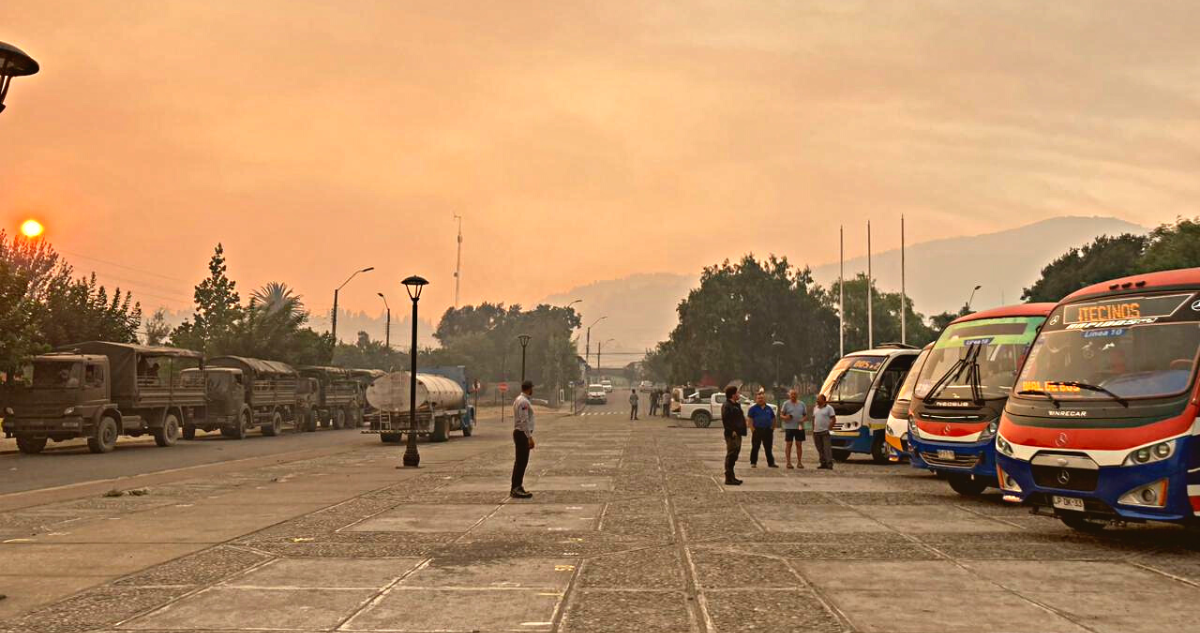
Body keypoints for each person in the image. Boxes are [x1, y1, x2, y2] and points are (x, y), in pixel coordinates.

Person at [511, 380, 536, 498]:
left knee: (520, 462)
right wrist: (529, 437)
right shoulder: (523, 402)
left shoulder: (519, 399)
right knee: (521, 462)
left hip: (520, 433)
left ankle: (517, 486)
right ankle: (516, 488)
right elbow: (524, 420)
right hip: (522, 434)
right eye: (532, 388)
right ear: (529, 388)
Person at [721, 385, 746, 485]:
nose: (738, 394)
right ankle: (728, 478)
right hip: (732, 434)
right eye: (737, 393)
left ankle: (732, 476)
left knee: (735, 454)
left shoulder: (736, 404)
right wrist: (732, 431)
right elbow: (726, 420)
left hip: (738, 432)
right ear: (733, 394)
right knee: (731, 454)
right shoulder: (727, 405)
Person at [747, 391, 777, 468]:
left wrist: (772, 428)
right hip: (757, 430)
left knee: (768, 447)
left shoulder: (769, 408)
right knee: (755, 447)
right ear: (756, 399)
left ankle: (771, 463)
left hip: (767, 430)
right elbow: (750, 420)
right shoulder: (753, 409)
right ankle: (753, 462)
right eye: (759, 398)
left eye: (762, 398)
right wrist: (753, 429)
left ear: (765, 399)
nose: (760, 399)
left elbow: (773, 419)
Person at [780, 389, 807, 469]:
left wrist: (803, 419)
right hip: (789, 427)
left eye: (795, 394)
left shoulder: (802, 404)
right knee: (789, 444)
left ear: (797, 395)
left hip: (799, 427)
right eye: (792, 394)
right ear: (789, 395)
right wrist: (786, 417)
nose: (793, 396)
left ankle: (799, 462)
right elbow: (781, 415)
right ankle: (788, 463)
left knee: (799, 444)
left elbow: (805, 415)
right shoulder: (786, 404)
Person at [812, 393, 837, 470]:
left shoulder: (829, 408)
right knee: (819, 448)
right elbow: (813, 419)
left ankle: (829, 464)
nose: (817, 400)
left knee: (827, 448)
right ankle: (823, 463)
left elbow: (833, 419)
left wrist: (829, 428)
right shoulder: (815, 408)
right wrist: (813, 429)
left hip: (825, 431)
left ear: (823, 400)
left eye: (819, 398)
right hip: (816, 432)